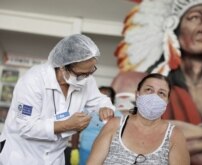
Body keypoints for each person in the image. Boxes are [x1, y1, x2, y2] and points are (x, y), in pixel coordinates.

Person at [113, 0, 202, 164]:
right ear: (173, 26)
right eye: (195, 18)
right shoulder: (133, 82)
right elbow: (127, 135)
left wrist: (173, 158)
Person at [0, 34, 115, 165]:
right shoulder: (33, 80)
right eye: (81, 74)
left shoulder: (86, 80)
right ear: (63, 66)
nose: (86, 78)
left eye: (91, 72)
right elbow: (26, 126)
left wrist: (105, 107)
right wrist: (67, 125)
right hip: (22, 156)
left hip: (54, 159)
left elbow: (100, 100)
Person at [87, 73, 190, 165]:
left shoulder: (174, 135)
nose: (154, 97)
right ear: (137, 95)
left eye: (161, 93)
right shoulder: (115, 125)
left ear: (167, 101)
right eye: (149, 90)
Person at [78, 86, 119, 165]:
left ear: (112, 99)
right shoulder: (87, 112)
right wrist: (74, 149)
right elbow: (76, 131)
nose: (100, 100)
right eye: (99, 96)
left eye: (104, 97)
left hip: (104, 154)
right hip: (84, 150)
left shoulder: (117, 116)